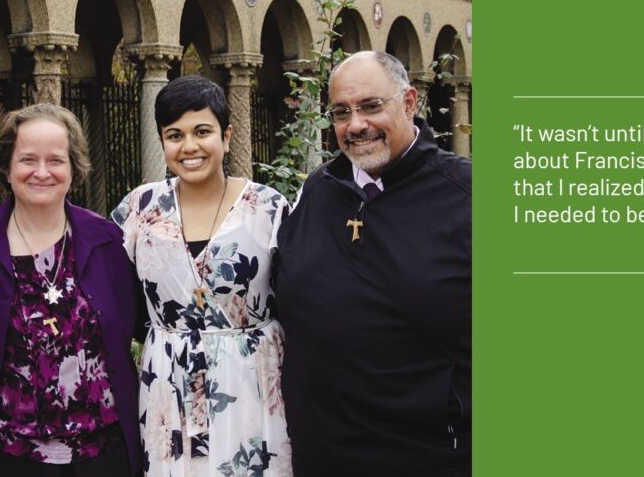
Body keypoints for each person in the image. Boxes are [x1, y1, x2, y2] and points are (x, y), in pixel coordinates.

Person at [274, 51, 472, 476]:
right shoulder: (318, 191)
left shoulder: (466, 196)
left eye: (370, 106)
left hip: (430, 456)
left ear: (409, 102)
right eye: (341, 112)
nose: (356, 125)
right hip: (323, 454)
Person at [111, 75, 292, 476]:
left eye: (202, 131)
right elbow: (112, 290)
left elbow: (298, 295)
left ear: (226, 137)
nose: (189, 146)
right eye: (174, 134)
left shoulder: (266, 207)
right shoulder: (140, 209)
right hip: (168, 382)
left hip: (250, 381)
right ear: (161, 142)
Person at [0, 103, 142, 476]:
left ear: (74, 169)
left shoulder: (106, 241)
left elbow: (136, 326)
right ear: (7, 168)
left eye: (56, 160)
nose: (42, 172)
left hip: (104, 455)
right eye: (27, 159)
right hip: (9, 456)